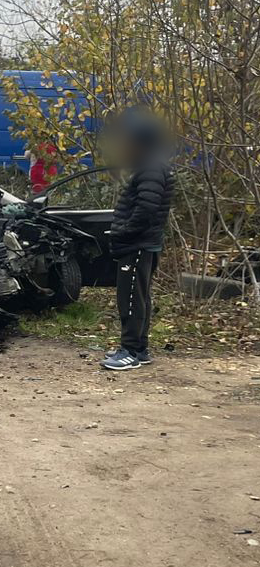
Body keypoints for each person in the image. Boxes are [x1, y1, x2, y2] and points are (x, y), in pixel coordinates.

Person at [102, 110, 173, 371]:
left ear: (141, 141)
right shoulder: (152, 165)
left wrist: (124, 232)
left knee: (130, 298)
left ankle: (130, 351)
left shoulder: (151, 167)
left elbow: (146, 208)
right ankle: (140, 349)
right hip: (144, 243)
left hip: (138, 244)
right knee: (140, 296)